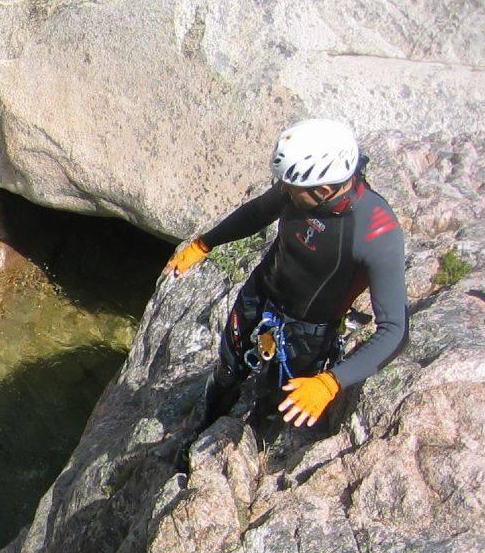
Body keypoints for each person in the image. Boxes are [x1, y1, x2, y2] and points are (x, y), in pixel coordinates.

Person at [165, 118, 408, 429]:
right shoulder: (301, 190)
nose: (285, 193)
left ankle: (256, 437)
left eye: (293, 189)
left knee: (273, 405)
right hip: (263, 290)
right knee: (228, 368)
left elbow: (396, 330)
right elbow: (258, 212)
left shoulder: (375, 231)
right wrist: (203, 244)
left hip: (306, 330)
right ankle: (205, 424)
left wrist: (330, 382)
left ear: (323, 189)